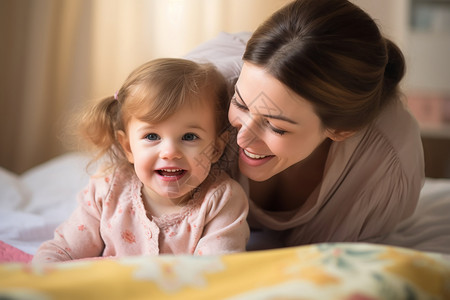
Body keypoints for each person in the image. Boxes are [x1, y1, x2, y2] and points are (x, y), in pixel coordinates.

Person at [227, 0, 424, 249]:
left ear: (340, 130)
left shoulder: (386, 165)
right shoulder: (195, 100)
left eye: (277, 127)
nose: (242, 138)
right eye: (241, 104)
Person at [32, 58, 249, 263]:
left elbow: (217, 271)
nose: (170, 153)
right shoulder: (107, 190)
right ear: (128, 147)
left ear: (216, 149)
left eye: (189, 136)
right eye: (152, 136)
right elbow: (62, 250)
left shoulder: (221, 199)